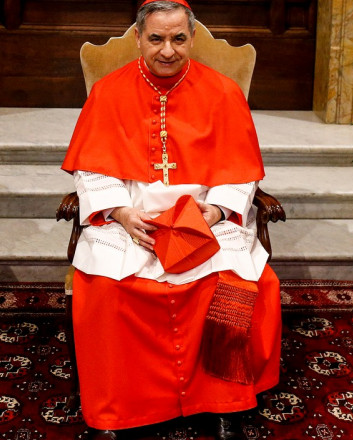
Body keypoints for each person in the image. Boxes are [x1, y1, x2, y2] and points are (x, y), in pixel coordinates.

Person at [61, 1, 282, 439]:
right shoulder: (108, 92)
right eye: (157, 39)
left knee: (229, 285)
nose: (168, 50)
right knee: (106, 289)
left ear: (192, 38)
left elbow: (240, 171)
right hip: (132, 216)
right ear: (138, 38)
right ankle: (118, 405)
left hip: (205, 215)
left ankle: (224, 401)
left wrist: (218, 209)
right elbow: (92, 168)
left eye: (178, 39)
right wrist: (121, 212)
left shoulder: (223, 92)